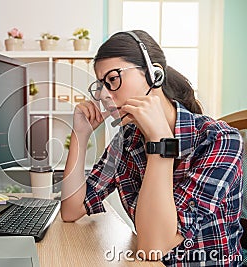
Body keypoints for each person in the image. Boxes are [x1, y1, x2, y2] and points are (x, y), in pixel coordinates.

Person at [60, 30, 244, 266]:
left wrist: (160, 143)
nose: (104, 96)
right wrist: (80, 134)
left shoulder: (221, 140)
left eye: (113, 79)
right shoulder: (127, 139)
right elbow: (71, 209)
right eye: (101, 85)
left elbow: (154, 247)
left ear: (153, 74)